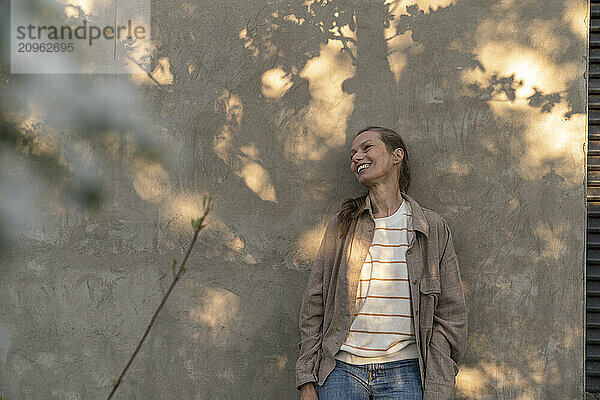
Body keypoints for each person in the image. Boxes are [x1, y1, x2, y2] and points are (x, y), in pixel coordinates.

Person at [295, 126, 468, 400]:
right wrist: (307, 380)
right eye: (352, 154)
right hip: (341, 371)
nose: (356, 157)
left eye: (366, 148)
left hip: (407, 372)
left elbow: (451, 316)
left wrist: (438, 383)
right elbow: (313, 306)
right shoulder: (343, 225)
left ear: (396, 155)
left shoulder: (431, 228)